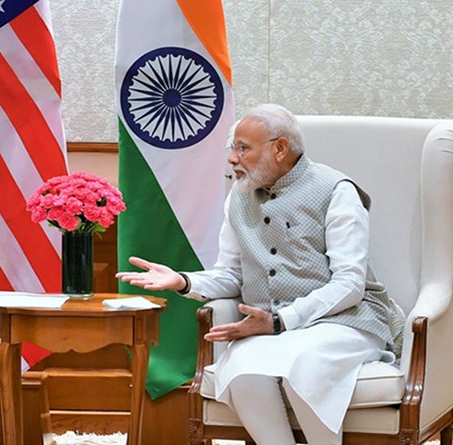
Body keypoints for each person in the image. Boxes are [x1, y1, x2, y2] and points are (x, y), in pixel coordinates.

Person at [117, 104, 404, 445]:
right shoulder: (237, 198)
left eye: (243, 148)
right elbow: (231, 274)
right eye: (233, 148)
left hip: (345, 321)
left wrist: (280, 321)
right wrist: (185, 281)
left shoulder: (336, 191)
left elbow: (349, 284)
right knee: (244, 373)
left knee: (307, 366)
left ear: (279, 149)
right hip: (277, 330)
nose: (232, 159)